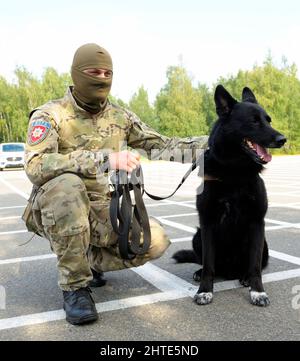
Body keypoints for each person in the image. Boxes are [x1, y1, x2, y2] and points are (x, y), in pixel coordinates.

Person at [22, 43, 208, 325]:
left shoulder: (120, 117)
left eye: (107, 72)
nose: (101, 77)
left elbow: (163, 146)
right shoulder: (51, 115)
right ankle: (75, 288)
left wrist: (217, 142)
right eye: (94, 71)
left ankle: (85, 260)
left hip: (99, 207)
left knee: (154, 241)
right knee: (68, 186)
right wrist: (105, 158)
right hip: (55, 205)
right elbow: (36, 165)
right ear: (76, 73)